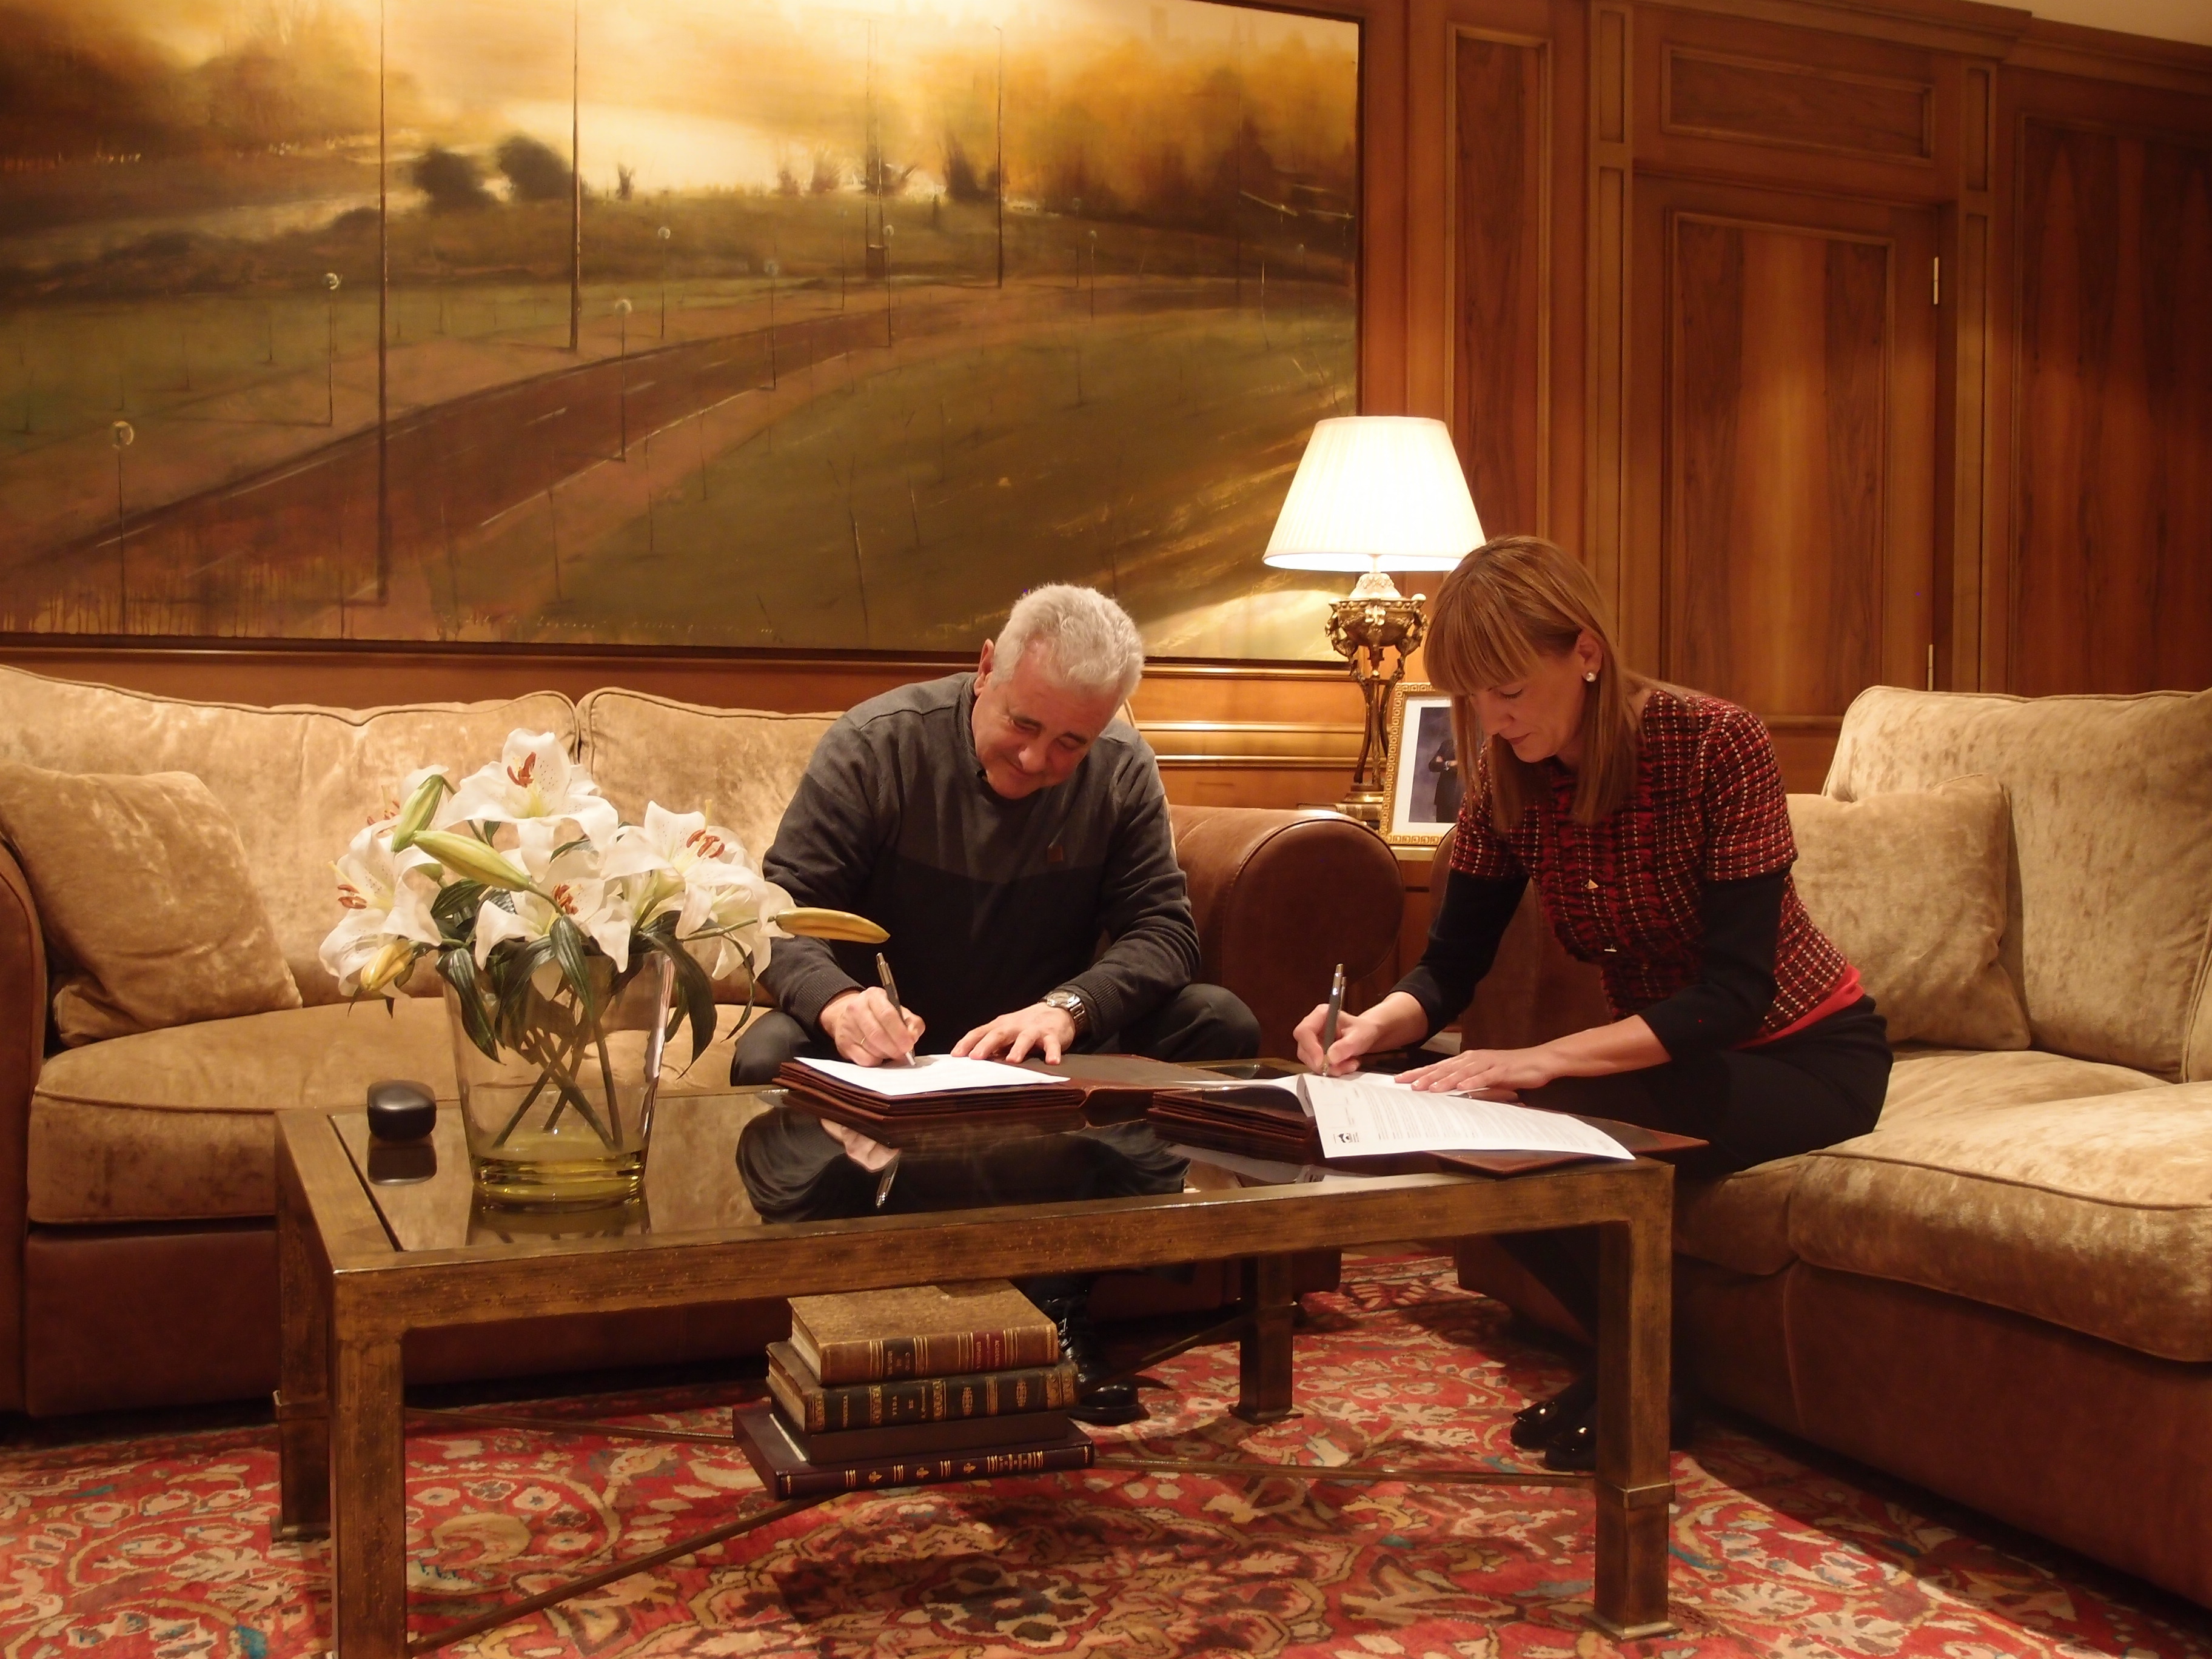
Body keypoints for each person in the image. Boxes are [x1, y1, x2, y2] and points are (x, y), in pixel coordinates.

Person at [1294, 537, 1889, 1470]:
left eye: (1512, 692)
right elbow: (1450, 966)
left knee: (1537, 1117)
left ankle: (1649, 1381)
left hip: (1807, 1057)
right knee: (1449, 1115)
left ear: (1586, 652)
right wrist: (1373, 1025)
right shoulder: (1505, 773)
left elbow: (1734, 996)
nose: (1491, 718)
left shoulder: (1715, 743)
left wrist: (1542, 1061)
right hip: (1674, 1056)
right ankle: (1637, 1366)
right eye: (1473, 696)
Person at [734, 583, 1261, 1423]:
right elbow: (776, 914)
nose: (1037, 761)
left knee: (1217, 1023)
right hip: (887, 1049)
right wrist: (838, 1003)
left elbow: (1164, 931)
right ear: (986, 669)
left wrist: (1070, 1006)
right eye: (1023, 725)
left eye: (1070, 743)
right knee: (763, 1058)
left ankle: (1060, 1301)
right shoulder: (877, 746)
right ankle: (861, 1303)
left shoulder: (1122, 770)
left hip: (1041, 1055)